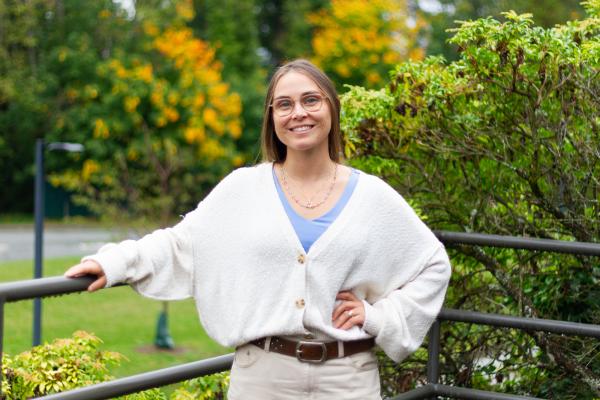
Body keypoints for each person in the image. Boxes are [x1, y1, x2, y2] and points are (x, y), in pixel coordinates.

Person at [65, 59, 451, 400]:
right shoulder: (242, 189)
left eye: (310, 100)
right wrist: (114, 262)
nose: (298, 112)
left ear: (331, 108)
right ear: (272, 118)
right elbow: (182, 245)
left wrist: (378, 317)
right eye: (284, 104)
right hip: (263, 377)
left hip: (348, 379)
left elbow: (432, 263)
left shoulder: (371, 196)